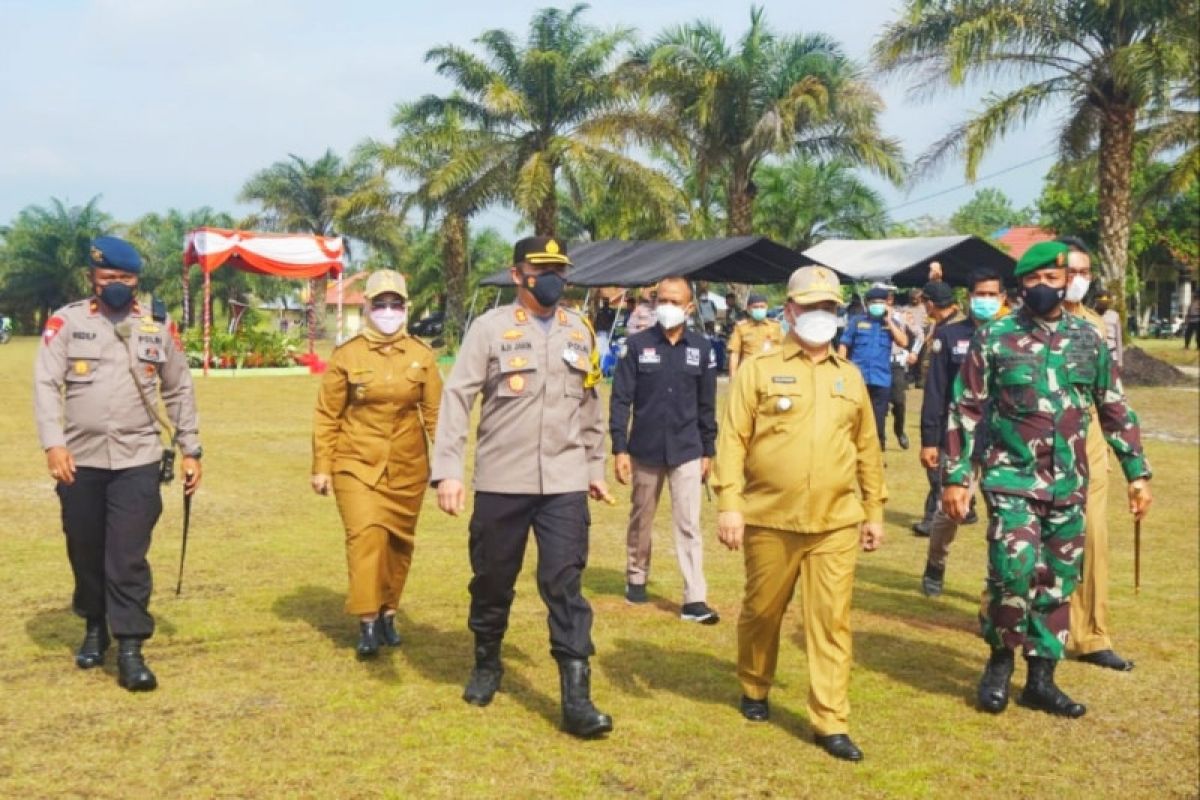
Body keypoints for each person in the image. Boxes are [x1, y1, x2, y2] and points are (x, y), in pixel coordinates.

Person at [943, 241, 1152, 719]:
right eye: (1032, 281)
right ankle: (999, 662)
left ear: (1066, 283)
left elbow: (1114, 407)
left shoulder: (1089, 338)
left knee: (1058, 582)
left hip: (1069, 485)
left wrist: (1136, 472)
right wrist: (957, 478)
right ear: (1022, 285)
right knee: (1011, 572)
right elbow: (966, 408)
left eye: (1051, 280)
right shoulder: (995, 337)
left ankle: (1041, 679)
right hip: (1012, 477)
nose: (1042, 288)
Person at [430, 236, 614, 738]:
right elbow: (457, 399)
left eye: (559, 269)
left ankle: (577, 698)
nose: (553, 278)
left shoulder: (580, 331)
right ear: (518, 275)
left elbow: (590, 404)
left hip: (564, 480)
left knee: (564, 584)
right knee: (492, 579)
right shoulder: (489, 330)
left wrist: (595, 468)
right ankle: (487, 663)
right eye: (541, 269)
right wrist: (448, 470)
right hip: (502, 480)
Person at [712, 266, 886, 763]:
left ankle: (831, 721)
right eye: (810, 307)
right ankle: (754, 684)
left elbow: (867, 448)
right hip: (770, 517)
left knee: (831, 621)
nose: (819, 316)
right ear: (789, 310)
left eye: (828, 308)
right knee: (762, 611)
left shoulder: (849, 377)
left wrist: (874, 510)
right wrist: (730, 505)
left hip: (836, 522)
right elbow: (732, 441)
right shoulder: (759, 370)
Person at [33, 236, 202, 692]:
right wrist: (53, 444)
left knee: (127, 556)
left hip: (138, 459)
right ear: (93, 279)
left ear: (137, 281)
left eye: (125, 279)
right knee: (85, 549)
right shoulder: (66, 322)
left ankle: (130, 649)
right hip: (80, 459)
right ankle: (94, 626)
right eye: (108, 278)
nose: (117, 286)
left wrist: (191, 449)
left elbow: (178, 389)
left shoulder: (156, 326)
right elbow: (47, 384)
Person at [311, 270, 442, 658]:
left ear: (406, 308)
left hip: (408, 465)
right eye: (380, 304)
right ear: (367, 306)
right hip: (356, 461)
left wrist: (448, 466)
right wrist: (322, 466)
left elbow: (436, 414)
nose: (388, 311)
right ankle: (367, 620)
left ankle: (388, 610)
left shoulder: (421, 355)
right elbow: (327, 414)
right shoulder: (347, 354)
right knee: (365, 536)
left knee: (398, 544)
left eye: (395, 304)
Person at [609, 277, 719, 622]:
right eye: (661, 300)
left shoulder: (702, 348)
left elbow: (707, 405)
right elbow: (620, 399)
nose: (666, 306)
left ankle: (694, 598)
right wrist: (619, 448)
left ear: (689, 307)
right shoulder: (637, 345)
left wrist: (708, 451)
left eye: (674, 301)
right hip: (645, 448)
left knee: (689, 523)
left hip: (687, 448)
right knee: (642, 518)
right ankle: (636, 576)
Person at [1059, 241, 1135, 671]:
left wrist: (1133, 465)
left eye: (1085, 272)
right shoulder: (1016, 325)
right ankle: (1004, 615)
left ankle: (1090, 635)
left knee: (1092, 536)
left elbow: (1112, 395)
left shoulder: (1096, 326)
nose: (1078, 280)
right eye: (1070, 272)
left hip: (1087, 439)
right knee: (1026, 542)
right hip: (1034, 443)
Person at [914, 274, 1003, 592]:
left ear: (1003, 298)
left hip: (1004, 443)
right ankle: (935, 566)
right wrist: (929, 440)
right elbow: (935, 392)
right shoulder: (950, 336)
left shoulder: (1015, 338)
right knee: (950, 512)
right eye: (981, 293)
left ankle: (998, 586)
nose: (986, 299)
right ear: (969, 296)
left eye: (993, 293)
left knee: (1005, 519)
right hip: (961, 440)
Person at [838, 285, 909, 449]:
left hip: (881, 378)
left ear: (886, 304)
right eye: (874, 302)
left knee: (878, 419)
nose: (878, 305)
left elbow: (903, 342)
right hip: (858, 378)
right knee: (855, 416)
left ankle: (878, 451)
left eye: (881, 302)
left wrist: (889, 321)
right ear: (868, 304)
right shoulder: (857, 321)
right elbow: (844, 344)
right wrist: (841, 368)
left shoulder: (891, 323)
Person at [887, 288, 922, 450]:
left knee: (899, 401)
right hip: (875, 365)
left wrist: (914, 352)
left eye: (888, 297)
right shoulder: (867, 317)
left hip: (896, 364)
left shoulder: (901, 315)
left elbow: (919, 334)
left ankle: (899, 430)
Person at [726, 293, 783, 376]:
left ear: (767, 307)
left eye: (762, 307)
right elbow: (735, 354)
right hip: (749, 374)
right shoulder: (741, 328)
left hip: (770, 373)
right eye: (755, 307)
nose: (759, 309)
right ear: (748, 309)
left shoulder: (775, 326)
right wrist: (733, 377)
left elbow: (783, 350)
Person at [1092, 290, 1123, 367]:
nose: (1104, 305)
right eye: (1101, 302)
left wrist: (1120, 361)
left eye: (1106, 303)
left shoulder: (1114, 316)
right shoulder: (1089, 315)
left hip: (1111, 354)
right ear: (1096, 301)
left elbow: (1119, 340)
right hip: (1095, 356)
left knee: (1112, 378)